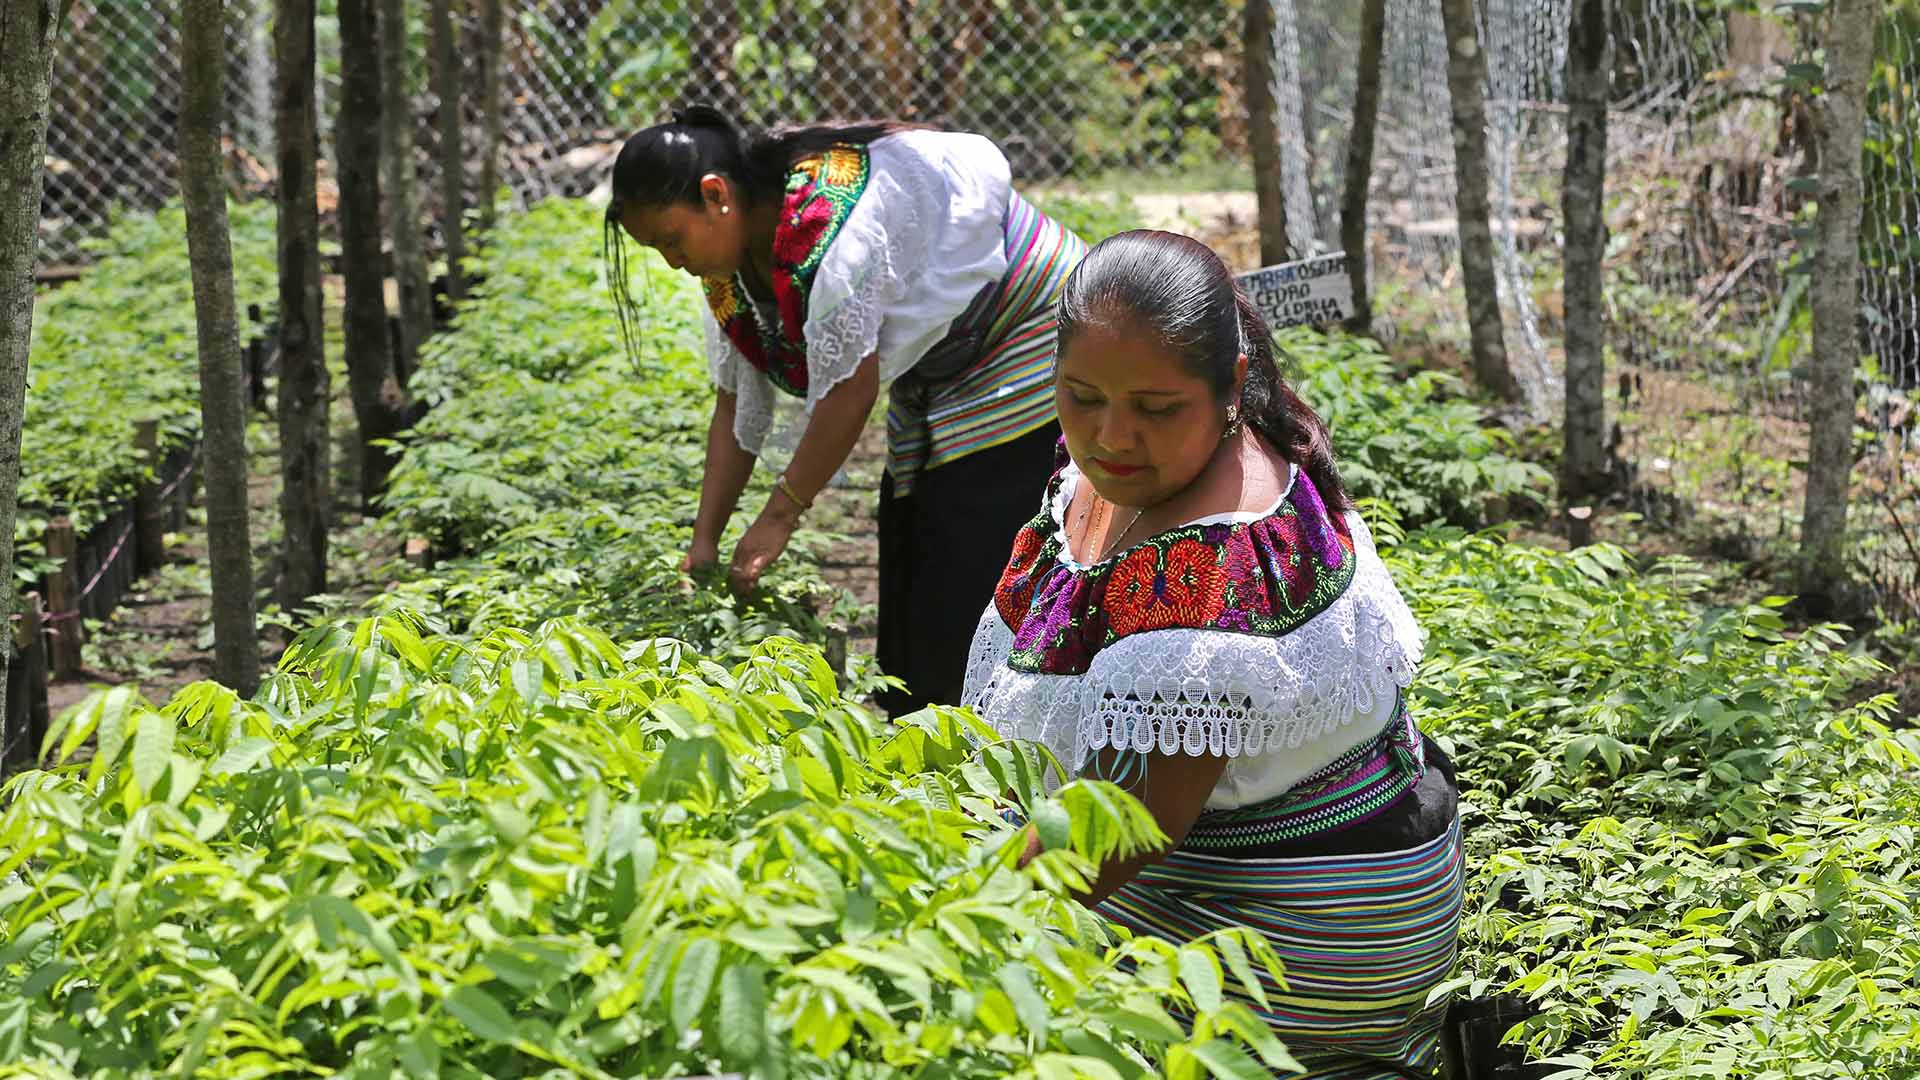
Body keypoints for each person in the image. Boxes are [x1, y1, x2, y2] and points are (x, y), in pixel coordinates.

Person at [961, 230, 1463, 1077]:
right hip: (1246, 855)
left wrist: (952, 917)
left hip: (1308, 917)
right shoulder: (1137, 473)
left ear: (1231, 386)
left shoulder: (1214, 562)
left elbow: (1131, 825)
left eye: (1156, 409)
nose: (1113, 435)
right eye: (1081, 396)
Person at [603, 105, 1086, 715]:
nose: (673, 261)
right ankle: (928, 721)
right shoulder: (729, 271)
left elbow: (849, 393)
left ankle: (989, 734)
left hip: (1032, 331)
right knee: (913, 533)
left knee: (970, 542)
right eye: (657, 248)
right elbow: (734, 409)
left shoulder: (829, 231)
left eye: (672, 239)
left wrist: (779, 516)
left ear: (716, 195)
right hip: (948, 357)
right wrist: (704, 543)